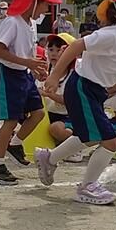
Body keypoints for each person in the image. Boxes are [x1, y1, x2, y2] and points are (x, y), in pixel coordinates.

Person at [35, 0, 116, 205]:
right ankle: (87, 187)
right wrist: (55, 75)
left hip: (95, 91)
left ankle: (49, 158)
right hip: (83, 88)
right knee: (110, 142)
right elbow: (76, 45)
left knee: (88, 137)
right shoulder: (113, 34)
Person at [0, 0, 58, 185]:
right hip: (8, 74)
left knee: (38, 113)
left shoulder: (30, 23)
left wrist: (35, 68)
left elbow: (27, 52)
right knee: (10, 120)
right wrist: (28, 63)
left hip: (23, 74)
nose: (47, 9)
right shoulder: (12, 22)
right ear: (33, 1)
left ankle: (15, 144)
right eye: (45, 4)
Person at [38, 32, 82, 162]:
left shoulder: (74, 76)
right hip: (49, 114)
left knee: (56, 128)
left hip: (68, 117)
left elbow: (69, 102)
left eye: (59, 50)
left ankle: (76, 147)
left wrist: (48, 94)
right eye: (51, 49)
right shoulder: (46, 72)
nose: (54, 53)